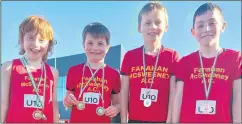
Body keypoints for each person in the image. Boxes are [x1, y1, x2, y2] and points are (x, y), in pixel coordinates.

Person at [172, 3, 241, 123]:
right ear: (193, 32)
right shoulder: (184, 62)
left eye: (212, 23)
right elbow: (178, 99)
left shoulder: (235, 58)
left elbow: (238, 98)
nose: (206, 29)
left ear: (223, 26)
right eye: (200, 25)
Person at [120, 2, 179, 123]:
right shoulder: (130, 56)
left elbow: (173, 92)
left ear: (166, 26)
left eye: (158, 22)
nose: (153, 26)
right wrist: (123, 120)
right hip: (134, 120)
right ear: (139, 27)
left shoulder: (172, 56)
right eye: (147, 23)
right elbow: (124, 91)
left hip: (162, 121)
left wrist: (170, 120)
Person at [1, 15, 59, 123]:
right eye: (30, 38)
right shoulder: (8, 67)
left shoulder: (53, 72)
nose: (36, 44)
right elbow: (3, 102)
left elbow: (54, 104)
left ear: (49, 44)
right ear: (22, 40)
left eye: (42, 40)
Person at [63, 22, 121, 123]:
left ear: (107, 47)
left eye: (100, 43)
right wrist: (67, 101)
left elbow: (118, 103)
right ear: (83, 45)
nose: (95, 48)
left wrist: (116, 109)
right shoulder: (73, 71)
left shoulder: (114, 75)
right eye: (90, 43)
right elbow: (67, 102)